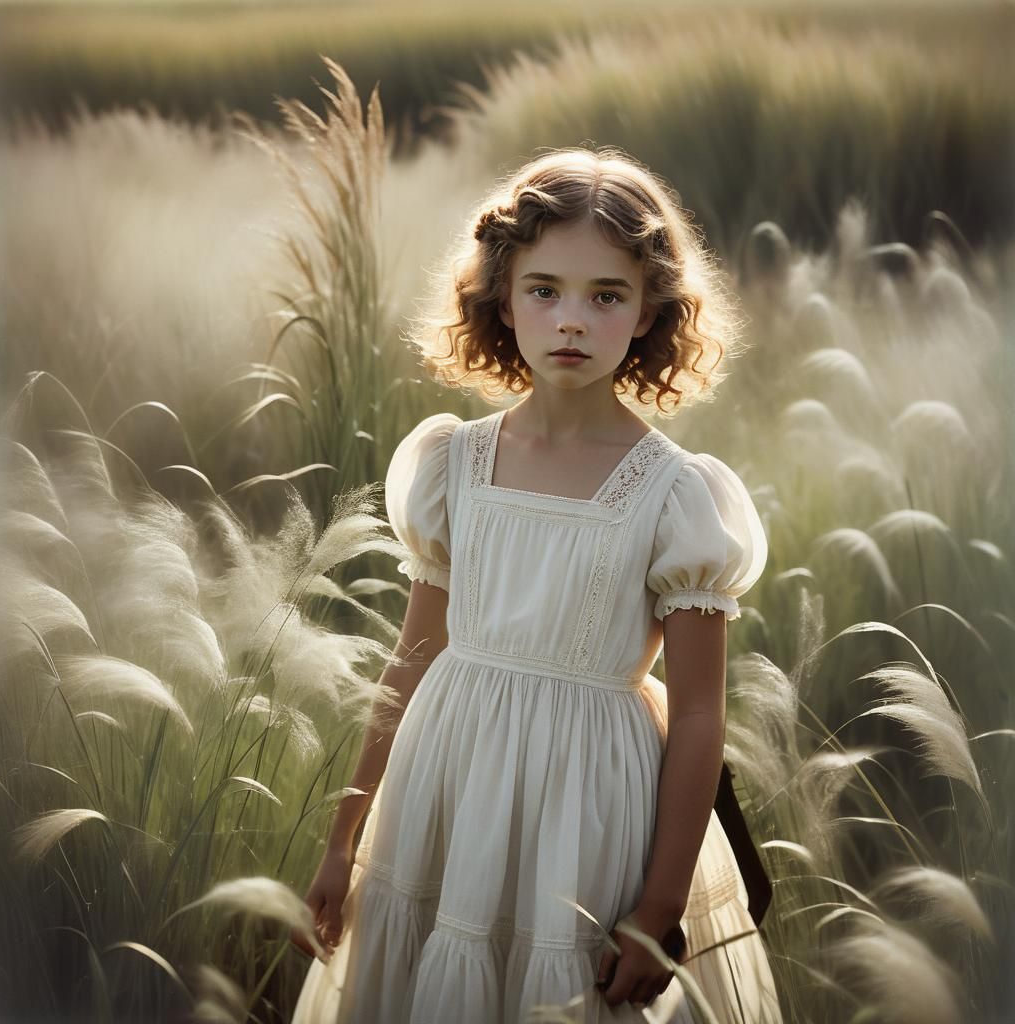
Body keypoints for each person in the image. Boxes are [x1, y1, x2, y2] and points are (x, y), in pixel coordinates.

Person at [290, 146, 783, 1023]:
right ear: (502, 297)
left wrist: (659, 908)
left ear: (648, 311)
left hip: (588, 810)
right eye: (545, 289)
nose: (571, 321)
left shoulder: (678, 496)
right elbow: (409, 663)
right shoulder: (453, 464)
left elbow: (699, 715)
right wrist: (342, 839)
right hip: (446, 789)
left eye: (607, 296)